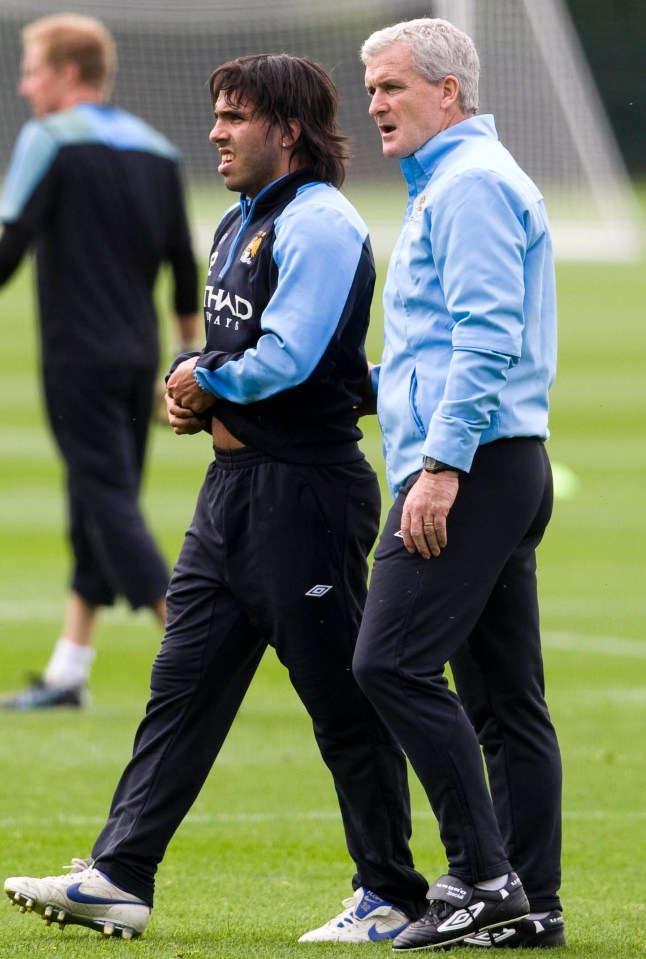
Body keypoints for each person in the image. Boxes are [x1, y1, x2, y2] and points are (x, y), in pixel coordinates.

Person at [1, 52, 431, 944]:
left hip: (304, 495)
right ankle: (120, 873)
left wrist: (202, 377)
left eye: (235, 117)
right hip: (230, 493)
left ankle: (394, 891)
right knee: (180, 690)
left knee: (341, 702)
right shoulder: (239, 220)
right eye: (217, 114)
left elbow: (288, 356)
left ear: (290, 130)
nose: (216, 132)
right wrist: (187, 382)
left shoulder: (321, 223)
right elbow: (225, 351)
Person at [349, 18, 564, 952]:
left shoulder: (469, 186)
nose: (374, 104)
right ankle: (534, 905)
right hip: (504, 460)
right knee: (505, 700)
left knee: (386, 661)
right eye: (370, 88)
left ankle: (484, 878)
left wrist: (438, 466)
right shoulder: (463, 180)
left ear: (449, 93)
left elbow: (485, 337)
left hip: (468, 465)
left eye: (392, 87)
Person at [0, 13, 200, 709]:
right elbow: (183, 266)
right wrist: (183, 362)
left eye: (32, 72)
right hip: (139, 356)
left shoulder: (48, 139)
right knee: (94, 502)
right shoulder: (158, 152)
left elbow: (12, 241)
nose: (25, 88)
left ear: (66, 74)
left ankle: (193, 644)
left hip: (78, 360)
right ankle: (68, 672)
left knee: (107, 503)